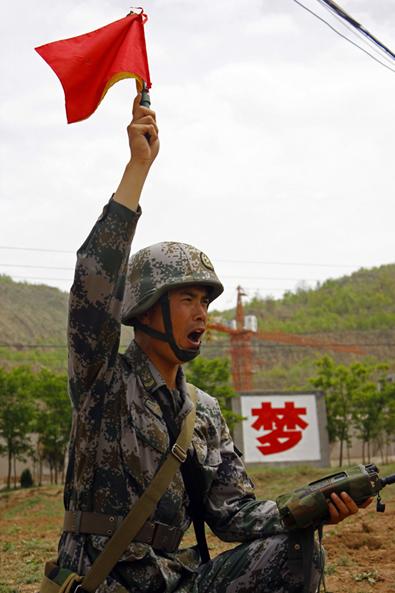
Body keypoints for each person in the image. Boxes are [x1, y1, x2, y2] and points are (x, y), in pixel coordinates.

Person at [57, 93, 370, 593]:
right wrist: (138, 169)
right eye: (187, 298)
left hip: (175, 582)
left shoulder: (200, 412)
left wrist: (315, 505)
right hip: (103, 583)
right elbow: (93, 284)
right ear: (145, 309)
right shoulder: (102, 382)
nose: (202, 313)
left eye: (206, 300)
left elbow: (235, 515)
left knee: (296, 548)